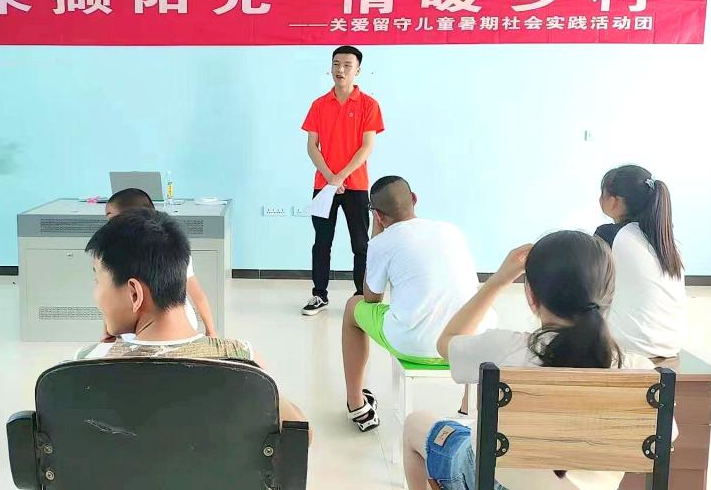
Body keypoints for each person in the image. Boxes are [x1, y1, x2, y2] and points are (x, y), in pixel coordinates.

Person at [403, 232, 655, 490]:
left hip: (495, 481)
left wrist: (499, 280)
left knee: (415, 424)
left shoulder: (505, 350)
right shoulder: (639, 371)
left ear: (531, 297)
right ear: (608, 295)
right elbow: (660, 442)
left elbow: (447, 341)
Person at [76, 208, 307, 431]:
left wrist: (106, 353)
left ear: (134, 294)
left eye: (97, 281)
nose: (95, 294)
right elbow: (301, 434)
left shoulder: (84, 366)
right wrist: (263, 382)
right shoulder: (242, 361)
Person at [341, 176, 480, 432]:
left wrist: (375, 235)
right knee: (464, 304)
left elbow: (372, 298)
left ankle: (357, 404)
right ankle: (467, 406)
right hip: (466, 345)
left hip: (415, 344)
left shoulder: (382, 242)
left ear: (377, 215)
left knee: (353, 307)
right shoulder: (450, 230)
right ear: (414, 198)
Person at [301, 45, 384, 315]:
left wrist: (340, 177)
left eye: (347, 65)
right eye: (336, 64)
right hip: (323, 186)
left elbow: (367, 147)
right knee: (321, 242)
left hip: (356, 185)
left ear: (357, 70)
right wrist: (330, 177)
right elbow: (312, 146)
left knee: (360, 243)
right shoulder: (319, 104)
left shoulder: (369, 105)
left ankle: (362, 297)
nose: (341, 70)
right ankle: (319, 294)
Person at [596, 165, 686, 358]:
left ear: (614, 202)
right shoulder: (669, 243)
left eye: (602, 193)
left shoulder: (610, 235)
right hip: (670, 347)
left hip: (626, 349)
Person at [103, 188, 217, 338]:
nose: (107, 226)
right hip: (157, 325)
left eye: (111, 218)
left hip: (167, 325)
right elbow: (111, 300)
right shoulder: (116, 252)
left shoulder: (169, 249)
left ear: (130, 218)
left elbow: (197, 294)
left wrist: (211, 330)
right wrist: (108, 333)